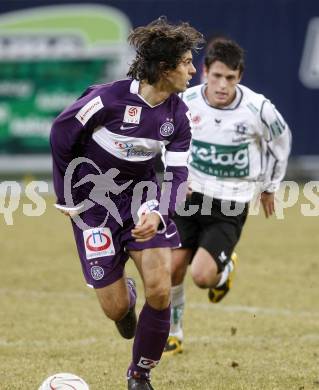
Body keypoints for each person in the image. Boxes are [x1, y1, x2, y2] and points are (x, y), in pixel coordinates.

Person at [50, 17, 204, 390]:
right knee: (116, 308)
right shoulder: (107, 100)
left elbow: (177, 174)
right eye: (185, 62)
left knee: (161, 287)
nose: (192, 69)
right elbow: (60, 135)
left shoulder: (177, 116)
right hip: (94, 207)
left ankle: (140, 375)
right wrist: (69, 197)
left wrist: (158, 210)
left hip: (141, 198)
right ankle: (126, 296)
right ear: (164, 69)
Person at [163, 38, 291, 355]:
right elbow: (164, 140)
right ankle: (174, 331)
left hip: (230, 202)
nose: (222, 85)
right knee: (173, 268)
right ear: (204, 72)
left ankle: (224, 270)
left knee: (202, 277)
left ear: (239, 77)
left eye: (230, 78)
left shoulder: (258, 109)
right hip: (190, 195)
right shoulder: (185, 101)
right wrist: (174, 177)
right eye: (217, 76)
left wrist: (270, 186)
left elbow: (281, 143)